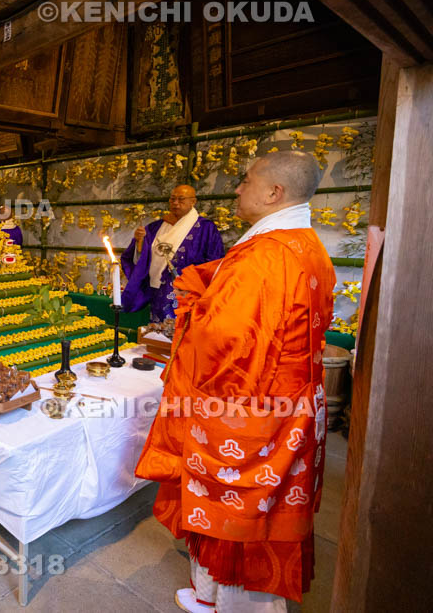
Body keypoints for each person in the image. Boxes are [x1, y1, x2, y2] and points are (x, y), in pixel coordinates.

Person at [134, 152, 336, 612]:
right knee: (266, 504)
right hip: (290, 402)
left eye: (247, 181)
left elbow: (225, 340)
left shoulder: (266, 256)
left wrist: (193, 310)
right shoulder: (305, 245)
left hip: (250, 407)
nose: (238, 189)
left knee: (239, 506)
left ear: (274, 194)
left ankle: (237, 604)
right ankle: (211, 593)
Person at [121, 185, 224, 322]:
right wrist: (139, 243)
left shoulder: (206, 228)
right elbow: (141, 259)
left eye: (181, 199)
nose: (175, 203)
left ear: (193, 202)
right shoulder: (155, 227)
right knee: (158, 336)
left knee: (181, 335)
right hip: (157, 292)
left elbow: (214, 263)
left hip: (187, 295)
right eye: (172, 199)